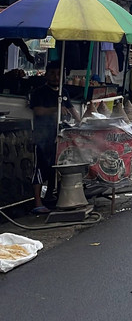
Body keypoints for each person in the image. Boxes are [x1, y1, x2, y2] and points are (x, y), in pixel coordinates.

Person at [29, 63, 81, 212]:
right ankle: (37, 203)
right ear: (46, 75)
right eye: (52, 73)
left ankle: (50, 196)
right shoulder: (39, 92)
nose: (55, 77)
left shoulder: (64, 92)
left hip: (59, 137)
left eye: (58, 74)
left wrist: (81, 124)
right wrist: (55, 109)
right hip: (42, 136)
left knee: (55, 167)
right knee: (40, 168)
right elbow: (37, 111)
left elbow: (71, 110)